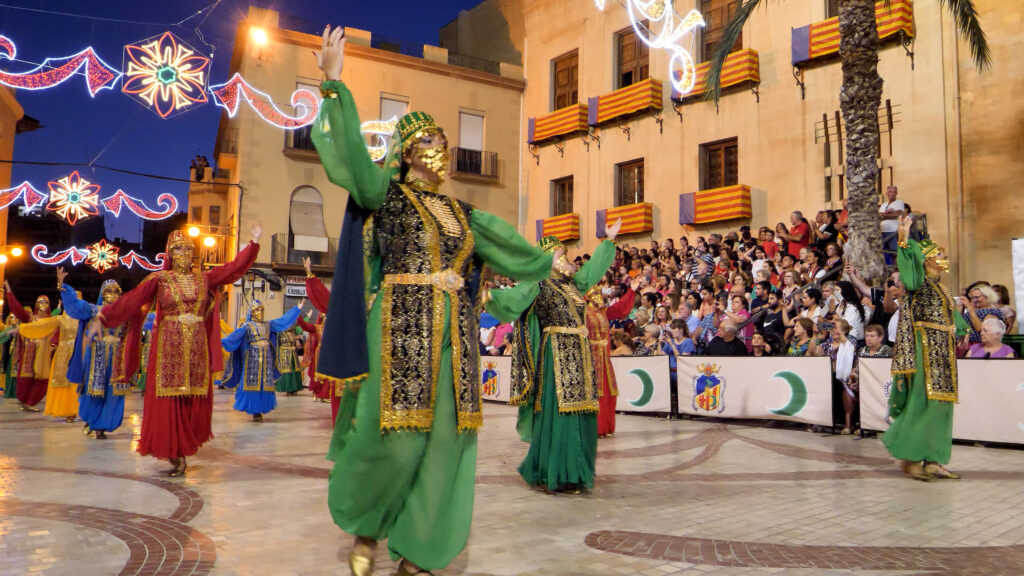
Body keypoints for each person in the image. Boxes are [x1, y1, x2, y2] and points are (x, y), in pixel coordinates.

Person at [310, 26, 556, 576]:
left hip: (455, 341)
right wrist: (333, 82)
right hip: (398, 330)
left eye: (444, 143)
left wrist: (550, 261)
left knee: (446, 447)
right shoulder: (385, 196)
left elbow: (507, 245)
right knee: (392, 440)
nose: (441, 150)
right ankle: (368, 526)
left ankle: (419, 548)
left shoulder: (462, 214)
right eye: (430, 143)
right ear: (406, 152)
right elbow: (351, 163)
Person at [86, 224, 262, 477]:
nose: (184, 253)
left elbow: (231, 270)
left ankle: (183, 445)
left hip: (196, 349)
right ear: (169, 252)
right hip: (168, 346)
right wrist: (103, 317)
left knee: (192, 397)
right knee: (169, 397)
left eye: (188, 249)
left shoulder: (204, 278)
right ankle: (173, 449)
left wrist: (252, 244)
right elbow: (132, 300)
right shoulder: (159, 279)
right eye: (178, 248)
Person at [488, 228, 618, 494]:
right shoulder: (538, 282)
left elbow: (591, 272)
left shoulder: (570, 284)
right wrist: (486, 294)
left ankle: (575, 471)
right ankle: (557, 471)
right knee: (562, 410)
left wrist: (609, 242)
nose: (567, 257)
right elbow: (513, 298)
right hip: (556, 353)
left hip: (579, 353)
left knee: (580, 409)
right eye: (561, 252)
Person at [883, 215, 969, 481]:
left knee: (942, 405)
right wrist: (904, 239)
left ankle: (933, 460)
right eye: (938, 253)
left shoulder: (940, 288)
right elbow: (909, 272)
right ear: (927, 259)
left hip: (943, 351)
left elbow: (953, 318)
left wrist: (962, 330)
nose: (943, 256)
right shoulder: (918, 283)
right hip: (925, 349)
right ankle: (908, 458)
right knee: (923, 401)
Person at [61, 275, 129, 438]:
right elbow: (76, 305)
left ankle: (102, 425)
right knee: (95, 391)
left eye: (115, 291)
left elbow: (145, 318)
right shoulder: (93, 310)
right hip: (96, 356)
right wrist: (64, 287)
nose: (111, 294)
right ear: (102, 293)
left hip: (117, 357)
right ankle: (94, 420)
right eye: (108, 290)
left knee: (113, 392)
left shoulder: (125, 313)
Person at [223, 300, 303, 422]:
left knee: (264, 383)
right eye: (257, 310)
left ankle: (260, 409)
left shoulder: (268, 324)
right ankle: (255, 411)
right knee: (253, 383)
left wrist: (296, 309)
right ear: (252, 312)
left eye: (262, 309)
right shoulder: (247, 326)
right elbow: (235, 336)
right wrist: (220, 342)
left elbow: (282, 321)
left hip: (266, 358)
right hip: (252, 359)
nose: (260, 312)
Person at [18, 282, 79, 422]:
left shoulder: (82, 319)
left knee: (76, 383)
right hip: (60, 354)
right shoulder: (60, 319)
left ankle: (75, 410)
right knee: (62, 381)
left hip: (78, 354)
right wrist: (22, 329)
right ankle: (65, 409)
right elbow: (45, 326)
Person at [586, 278, 638, 438]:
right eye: (597, 294)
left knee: (608, 392)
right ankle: (595, 428)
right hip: (591, 358)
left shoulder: (603, 313)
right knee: (596, 392)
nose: (601, 297)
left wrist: (632, 291)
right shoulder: (584, 314)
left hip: (604, 357)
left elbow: (620, 308)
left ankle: (605, 427)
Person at [4, 282, 54, 412]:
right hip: (29, 353)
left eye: (46, 302)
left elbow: (56, 336)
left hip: (43, 353)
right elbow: (18, 310)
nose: (43, 304)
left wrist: (53, 347)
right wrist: (9, 292)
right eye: (40, 301)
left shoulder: (52, 320)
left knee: (41, 379)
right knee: (25, 377)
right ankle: (24, 401)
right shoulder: (30, 318)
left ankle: (31, 402)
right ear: (36, 304)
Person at [301, 257, 332, 405]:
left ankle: (326, 395)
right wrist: (299, 317)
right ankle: (317, 394)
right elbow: (322, 296)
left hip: (330, 354)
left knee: (328, 377)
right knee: (317, 376)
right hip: (319, 354)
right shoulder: (318, 328)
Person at [879, 185, 905, 265]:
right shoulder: (883, 205)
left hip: (893, 231)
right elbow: (878, 215)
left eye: (894, 192)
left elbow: (898, 214)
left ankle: (895, 271)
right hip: (882, 231)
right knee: (881, 252)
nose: (892, 194)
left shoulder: (899, 203)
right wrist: (888, 214)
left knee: (894, 252)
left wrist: (884, 216)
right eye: (890, 192)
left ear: (896, 193)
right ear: (887, 193)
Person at [0, 313, 19, 399]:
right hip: (12, 353)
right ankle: (11, 391)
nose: (13, 320)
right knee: (11, 370)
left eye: (14, 318)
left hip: (20, 352)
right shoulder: (9, 329)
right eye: (11, 318)